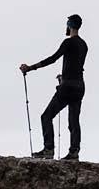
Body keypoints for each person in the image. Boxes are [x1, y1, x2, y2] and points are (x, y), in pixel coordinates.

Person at [20, 14, 88, 160]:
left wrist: (30, 68)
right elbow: (76, 66)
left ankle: (48, 149)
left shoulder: (68, 42)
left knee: (46, 116)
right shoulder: (84, 45)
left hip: (67, 87)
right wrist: (63, 77)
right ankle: (74, 152)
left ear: (69, 25)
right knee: (74, 121)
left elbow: (53, 59)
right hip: (79, 86)